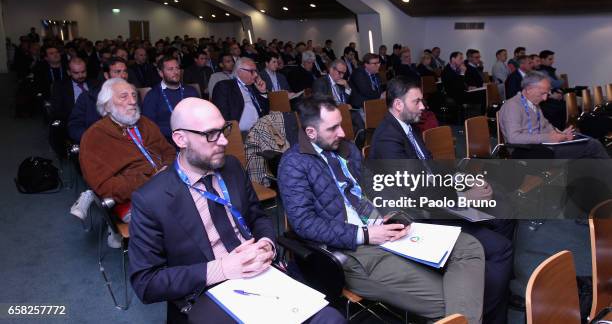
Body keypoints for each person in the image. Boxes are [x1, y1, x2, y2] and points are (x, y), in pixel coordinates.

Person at [127, 98, 344, 324]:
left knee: (330, 319)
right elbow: (146, 283)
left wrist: (267, 243)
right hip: (206, 289)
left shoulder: (231, 166)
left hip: (260, 272)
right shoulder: (151, 199)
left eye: (224, 130)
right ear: (181, 139)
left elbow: (258, 216)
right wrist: (221, 269)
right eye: (211, 134)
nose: (223, 141)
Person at [278, 97, 485, 323]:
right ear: (310, 133)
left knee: (469, 246)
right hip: (354, 249)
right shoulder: (293, 164)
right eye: (333, 128)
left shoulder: (345, 148)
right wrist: (365, 234)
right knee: (452, 301)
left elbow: (373, 187)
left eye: (341, 124)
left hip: (384, 227)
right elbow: (305, 223)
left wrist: (390, 213)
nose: (342, 132)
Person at [369, 77, 514, 324]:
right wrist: (463, 196)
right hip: (419, 216)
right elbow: (415, 190)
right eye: (417, 101)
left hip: (434, 202)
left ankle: (493, 293)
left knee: (505, 214)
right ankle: (479, 313)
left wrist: (464, 181)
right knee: (500, 248)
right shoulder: (387, 139)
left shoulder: (407, 128)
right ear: (398, 105)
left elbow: (431, 170)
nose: (423, 105)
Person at [78, 78, 175, 246]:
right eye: (123, 97)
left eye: (133, 95)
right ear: (107, 105)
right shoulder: (94, 137)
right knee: (183, 217)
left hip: (169, 183)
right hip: (135, 199)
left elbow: (169, 152)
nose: (132, 101)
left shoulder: (145, 123)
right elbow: (104, 187)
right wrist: (150, 180)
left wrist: (168, 170)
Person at [499, 72, 609, 158]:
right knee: (592, 145)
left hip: (543, 146)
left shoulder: (533, 103)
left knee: (588, 151)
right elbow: (513, 138)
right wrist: (550, 137)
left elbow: (546, 125)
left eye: (547, 94)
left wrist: (561, 134)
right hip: (527, 151)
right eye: (542, 93)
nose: (545, 98)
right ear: (529, 89)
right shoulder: (513, 106)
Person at [68, 57, 128, 143]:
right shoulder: (87, 98)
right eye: (117, 72)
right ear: (106, 75)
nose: (123, 76)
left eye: (125, 71)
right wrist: (94, 138)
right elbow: (74, 126)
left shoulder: (132, 96)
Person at [142, 55, 199, 141]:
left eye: (177, 68)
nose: (176, 72)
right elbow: (149, 126)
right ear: (161, 73)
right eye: (170, 69)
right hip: (165, 141)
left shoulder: (191, 91)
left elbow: (199, 117)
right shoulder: (153, 95)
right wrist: (177, 133)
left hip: (192, 138)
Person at [212, 57, 269, 132]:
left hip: (260, 130)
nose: (255, 75)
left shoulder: (254, 86)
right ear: (239, 71)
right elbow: (223, 116)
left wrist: (263, 92)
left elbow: (265, 111)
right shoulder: (225, 86)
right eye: (251, 71)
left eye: (256, 71)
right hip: (240, 134)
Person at [50, 57, 96, 123]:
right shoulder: (60, 87)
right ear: (69, 72)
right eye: (76, 73)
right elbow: (57, 111)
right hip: (73, 120)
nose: (81, 76)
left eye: (83, 72)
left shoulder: (95, 83)